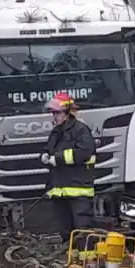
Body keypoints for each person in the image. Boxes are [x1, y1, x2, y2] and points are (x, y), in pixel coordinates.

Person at [39, 92, 97, 242]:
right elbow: (49, 149)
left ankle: (86, 261)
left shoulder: (81, 130)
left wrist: (57, 159)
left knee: (82, 231)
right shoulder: (56, 132)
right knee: (66, 232)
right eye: (53, 113)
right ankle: (71, 260)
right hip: (59, 190)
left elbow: (84, 152)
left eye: (57, 113)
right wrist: (45, 156)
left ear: (67, 113)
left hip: (78, 189)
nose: (54, 117)